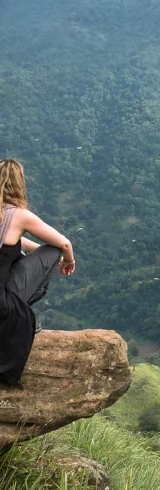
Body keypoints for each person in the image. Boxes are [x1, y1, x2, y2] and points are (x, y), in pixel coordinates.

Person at [0, 159, 75, 386]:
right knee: (52, 250)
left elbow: (14, 241)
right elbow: (63, 244)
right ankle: (22, 312)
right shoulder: (19, 215)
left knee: (25, 255)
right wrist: (68, 260)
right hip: (3, 303)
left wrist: (33, 250)